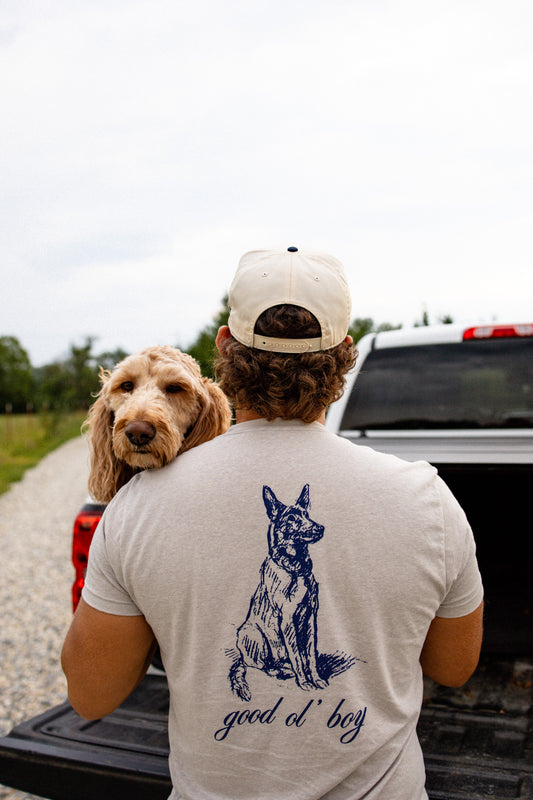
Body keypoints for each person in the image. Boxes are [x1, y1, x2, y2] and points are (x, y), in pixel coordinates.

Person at [62, 246, 484, 800]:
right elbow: (454, 668)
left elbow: (91, 695)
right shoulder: (427, 500)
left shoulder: (136, 510)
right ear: (346, 355)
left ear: (223, 348)